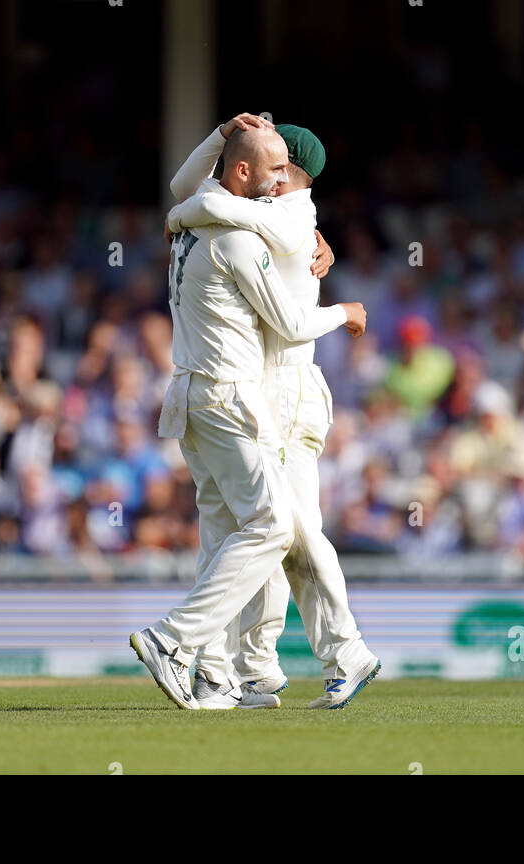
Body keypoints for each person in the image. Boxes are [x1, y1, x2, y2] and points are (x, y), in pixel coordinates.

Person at [128, 121, 367, 709]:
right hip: (238, 391)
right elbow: (199, 193)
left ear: (296, 175)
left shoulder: (282, 216)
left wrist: (186, 212)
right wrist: (218, 140)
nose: (276, 174)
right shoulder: (247, 217)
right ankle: (225, 665)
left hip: (270, 390)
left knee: (286, 530)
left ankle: (319, 655)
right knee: (266, 530)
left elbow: (197, 198)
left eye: (284, 165)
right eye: (269, 164)